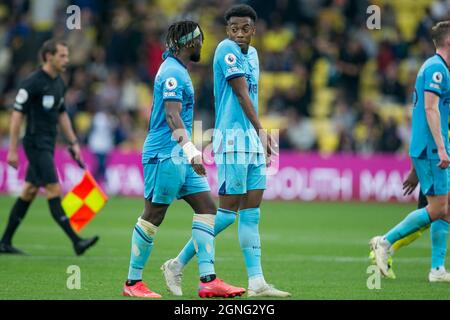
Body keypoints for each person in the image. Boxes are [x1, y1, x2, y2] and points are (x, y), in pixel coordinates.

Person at [161, 5, 291, 297]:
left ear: (254, 30)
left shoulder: (254, 55)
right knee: (226, 214)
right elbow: (241, 93)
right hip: (233, 141)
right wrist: (262, 132)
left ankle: (257, 282)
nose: (240, 34)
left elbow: (254, 97)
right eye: (234, 28)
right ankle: (176, 263)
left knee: (252, 213)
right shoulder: (225, 49)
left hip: (254, 140)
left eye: (245, 28)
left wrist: (260, 137)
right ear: (227, 30)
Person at [122, 20, 245, 299]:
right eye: (200, 39)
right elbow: (171, 115)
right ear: (189, 42)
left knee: (206, 208)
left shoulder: (179, 70)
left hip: (178, 152)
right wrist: (190, 149)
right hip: (165, 153)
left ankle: (208, 280)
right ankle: (132, 283)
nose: (203, 43)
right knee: (153, 215)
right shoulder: (172, 73)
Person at [0, 39, 99, 255]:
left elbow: (61, 113)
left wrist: (73, 142)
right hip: (35, 144)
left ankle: (4, 242)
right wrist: (13, 149)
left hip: (48, 143)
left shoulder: (59, 82)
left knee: (29, 191)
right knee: (53, 189)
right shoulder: (32, 82)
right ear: (48, 56)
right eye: (62, 55)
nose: (67, 59)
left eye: (66, 55)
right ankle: (76, 241)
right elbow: (17, 115)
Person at [370, 21, 450, 282]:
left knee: (445, 208)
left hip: (429, 149)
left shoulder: (434, 66)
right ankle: (385, 242)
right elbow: (429, 109)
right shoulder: (437, 68)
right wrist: (440, 147)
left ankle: (437, 269)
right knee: (438, 208)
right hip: (432, 148)